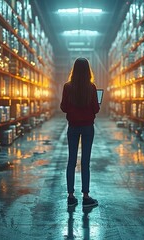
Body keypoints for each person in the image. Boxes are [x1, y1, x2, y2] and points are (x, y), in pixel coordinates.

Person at [60, 57, 100, 208]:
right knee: (85, 161)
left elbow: (63, 107)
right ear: (88, 70)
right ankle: (86, 196)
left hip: (73, 127)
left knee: (71, 161)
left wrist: (72, 109)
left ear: (74, 70)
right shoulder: (92, 88)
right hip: (88, 127)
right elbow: (96, 109)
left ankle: (71, 196)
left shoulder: (67, 87)